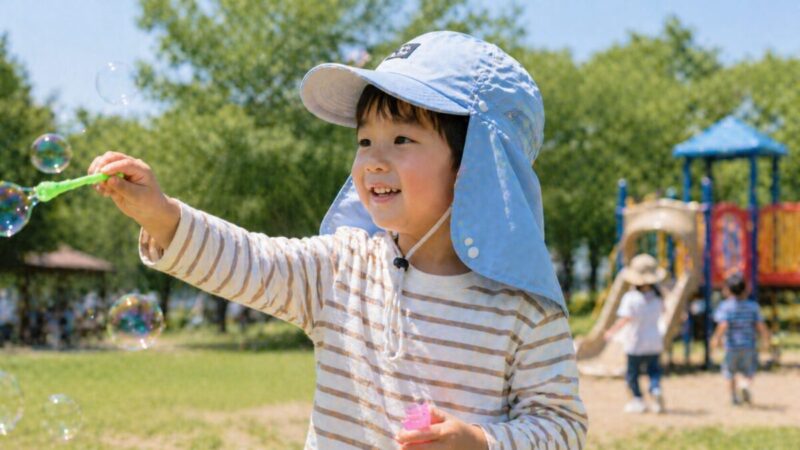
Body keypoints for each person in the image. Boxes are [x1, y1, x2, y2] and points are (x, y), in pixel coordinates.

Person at [89, 31, 587, 449]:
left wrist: (481, 442)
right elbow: (252, 261)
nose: (373, 159)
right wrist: (162, 216)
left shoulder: (524, 309)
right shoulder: (342, 268)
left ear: (476, 166)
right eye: (365, 140)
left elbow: (563, 427)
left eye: (402, 140)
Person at [604, 254, 666, 414]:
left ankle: (638, 400)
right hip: (654, 341)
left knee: (633, 373)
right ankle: (655, 389)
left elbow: (625, 319)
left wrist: (611, 331)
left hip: (635, 342)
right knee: (654, 371)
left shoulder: (631, 298)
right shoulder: (658, 298)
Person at [711, 273, 771, 406]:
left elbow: (723, 325)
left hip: (731, 347)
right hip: (749, 346)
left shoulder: (725, 307)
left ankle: (733, 397)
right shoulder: (753, 306)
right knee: (749, 371)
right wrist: (766, 339)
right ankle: (745, 385)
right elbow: (760, 325)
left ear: (727, 290)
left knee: (729, 372)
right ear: (746, 289)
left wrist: (716, 339)